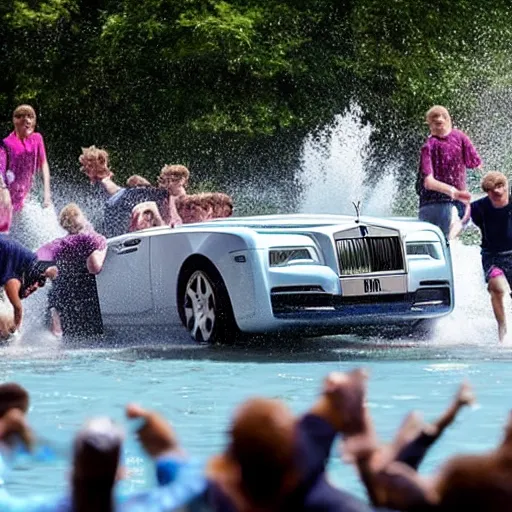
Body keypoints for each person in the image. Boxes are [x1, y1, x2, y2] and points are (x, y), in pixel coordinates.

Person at [0, 402, 207, 511]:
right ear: (121, 473)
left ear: (71, 472)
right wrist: (167, 452)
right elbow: (197, 487)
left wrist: (5, 445)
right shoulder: (150, 506)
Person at [37, 203, 107, 337]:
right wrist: (99, 247)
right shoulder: (94, 239)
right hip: (87, 295)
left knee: (69, 338)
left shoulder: (59, 243)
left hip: (63, 296)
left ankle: (55, 319)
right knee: (90, 338)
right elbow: (94, 268)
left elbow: (38, 258)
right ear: (82, 218)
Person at [417, 105, 481, 240]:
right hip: (435, 202)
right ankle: (448, 242)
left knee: (464, 220)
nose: (434, 128)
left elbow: (475, 163)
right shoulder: (429, 146)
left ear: (447, 120)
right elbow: (428, 183)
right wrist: (454, 192)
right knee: (454, 223)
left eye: (438, 123)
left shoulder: (459, 138)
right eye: (431, 125)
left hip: (448, 202)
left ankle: (448, 243)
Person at [79, 146, 167, 238]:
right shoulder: (100, 179)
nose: (86, 171)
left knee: (151, 201)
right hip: (119, 200)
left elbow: (112, 185)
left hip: (120, 198)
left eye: (88, 168)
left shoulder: (104, 177)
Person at [470, 171, 512, 342]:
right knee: (496, 287)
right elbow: (463, 221)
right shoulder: (478, 207)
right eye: (493, 194)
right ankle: (503, 332)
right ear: (487, 193)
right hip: (492, 257)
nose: (498, 196)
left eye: (501, 191)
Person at [0, 235, 57, 339]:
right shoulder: (13, 282)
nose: (35, 287)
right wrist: (16, 334)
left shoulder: (22, 269)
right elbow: (18, 309)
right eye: (38, 283)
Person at [2, 105, 52, 212]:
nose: (28, 121)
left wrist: (47, 193)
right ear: (16, 121)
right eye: (23, 118)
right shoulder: (6, 143)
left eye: (31, 117)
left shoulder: (37, 138)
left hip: (26, 196)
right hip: (9, 199)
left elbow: (44, 164)